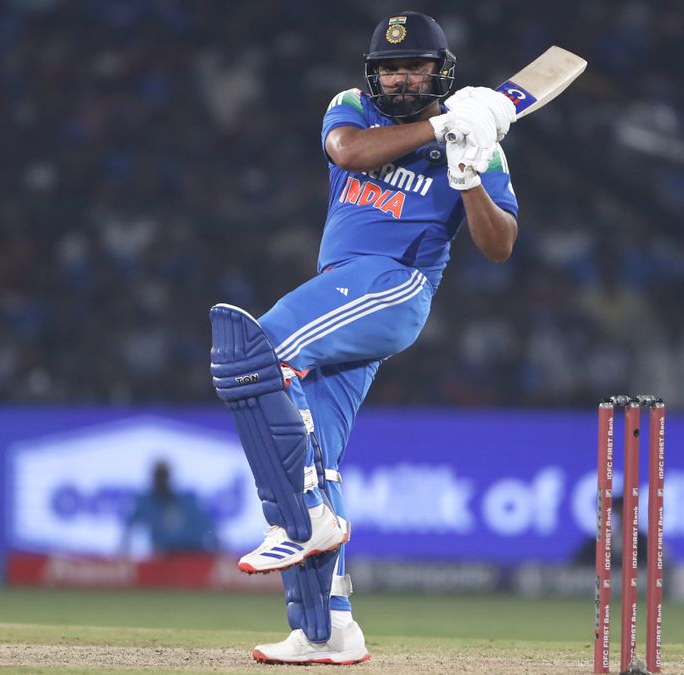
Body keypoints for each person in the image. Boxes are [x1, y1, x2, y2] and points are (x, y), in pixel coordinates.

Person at [208, 11, 519, 665]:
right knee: (315, 453)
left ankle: (302, 521)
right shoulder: (350, 108)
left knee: (255, 354)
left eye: (415, 68)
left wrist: (467, 175)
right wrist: (441, 126)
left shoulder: (478, 141)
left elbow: (499, 245)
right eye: (390, 68)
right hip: (343, 290)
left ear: (441, 71)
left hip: (395, 284)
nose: (402, 78)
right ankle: (328, 629)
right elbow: (348, 152)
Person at [122, 460, 219, 555]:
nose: (161, 480)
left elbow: (208, 526)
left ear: (169, 476)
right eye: (158, 475)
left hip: (193, 552)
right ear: (153, 477)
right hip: (164, 555)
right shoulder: (146, 503)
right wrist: (123, 554)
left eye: (164, 475)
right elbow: (129, 528)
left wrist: (218, 549)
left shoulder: (187, 501)